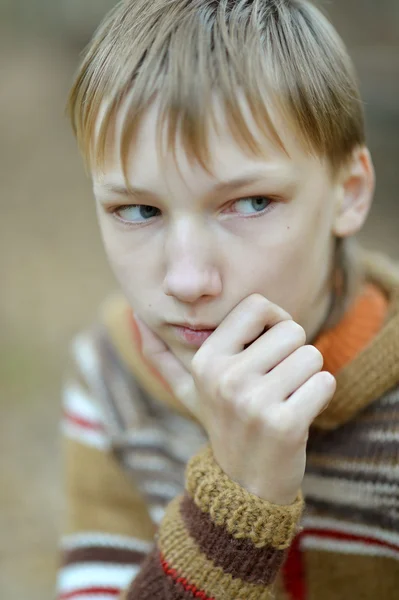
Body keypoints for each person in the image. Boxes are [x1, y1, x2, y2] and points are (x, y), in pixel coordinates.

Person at [56, 1, 399, 598]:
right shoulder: (113, 378)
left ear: (348, 193)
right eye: (139, 210)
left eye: (251, 202)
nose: (187, 281)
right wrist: (237, 503)